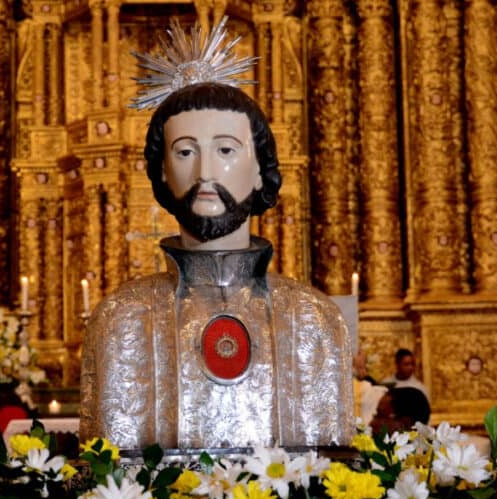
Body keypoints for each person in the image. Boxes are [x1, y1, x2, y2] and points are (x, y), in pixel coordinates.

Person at [80, 18, 352, 449]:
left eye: (226, 150)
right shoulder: (120, 320)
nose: (205, 173)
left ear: (261, 170)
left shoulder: (313, 320)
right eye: (186, 152)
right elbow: (103, 479)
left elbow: (336, 474)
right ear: (163, 175)